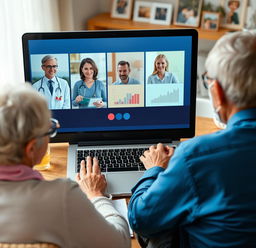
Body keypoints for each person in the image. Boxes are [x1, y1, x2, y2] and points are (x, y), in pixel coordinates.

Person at [128, 30, 256, 247]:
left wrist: (154, 169)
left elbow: (140, 219)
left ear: (217, 91)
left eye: (208, 81)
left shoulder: (195, 157)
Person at [0, 83, 130, 247]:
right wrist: (97, 195)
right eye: (49, 129)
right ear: (31, 148)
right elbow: (121, 243)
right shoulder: (61, 197)